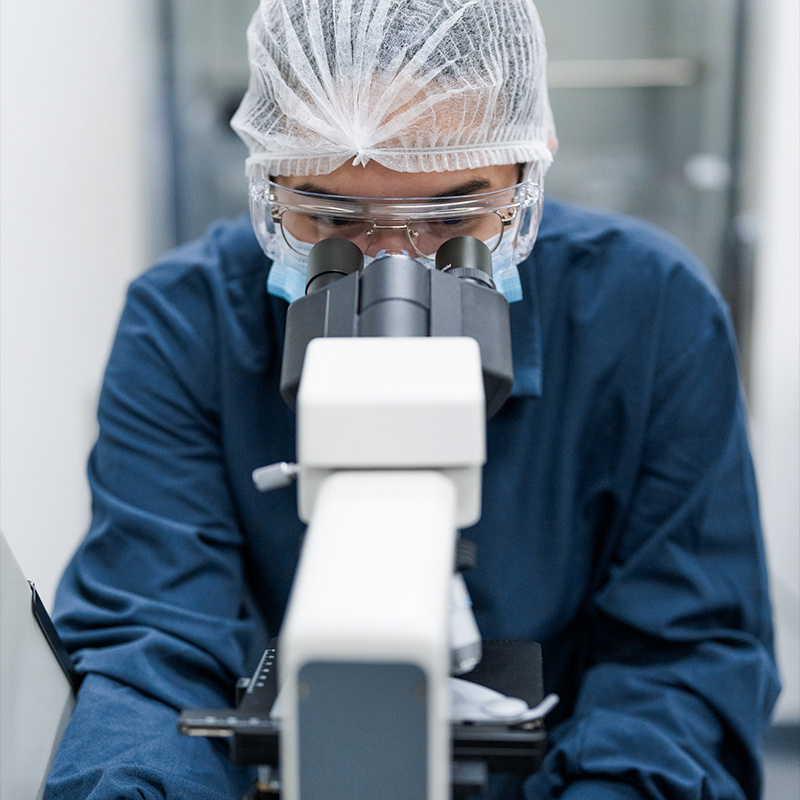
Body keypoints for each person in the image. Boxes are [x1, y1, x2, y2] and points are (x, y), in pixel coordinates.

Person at [45, 1, 779, 798]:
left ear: (531, 168)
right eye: (331, 217)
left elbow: (684, 659)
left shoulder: (650, 307)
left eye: (454, 219)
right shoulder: (185, 319)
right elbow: (153, 646)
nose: (393, 267)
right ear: (267, 181)